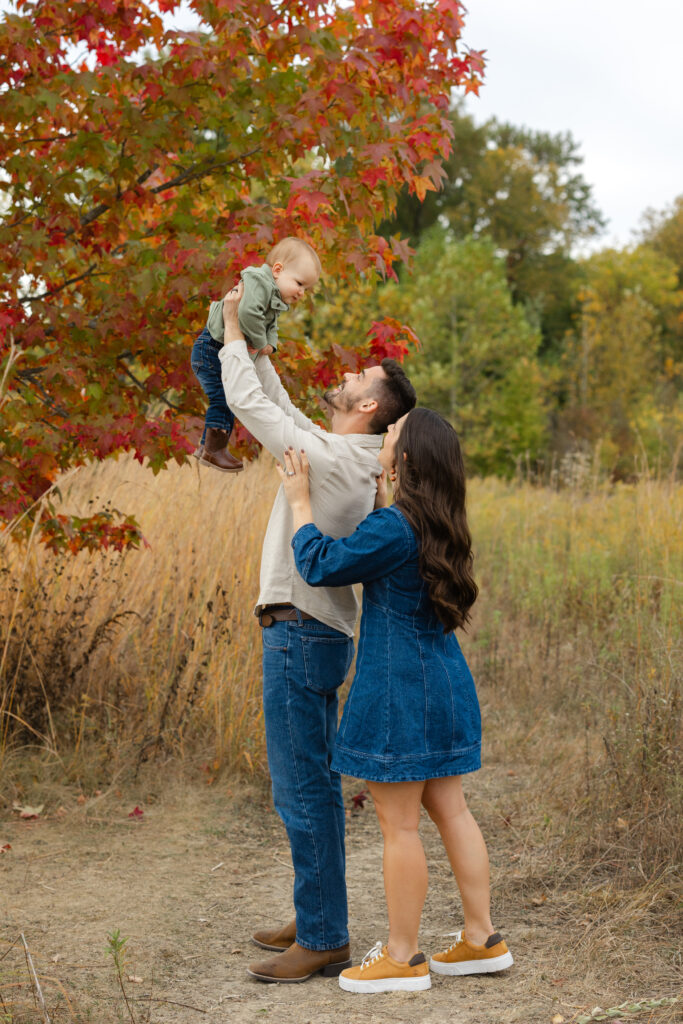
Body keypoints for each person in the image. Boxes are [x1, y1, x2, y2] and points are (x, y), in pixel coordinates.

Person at [218, 282, 417, 983]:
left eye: (357, 378)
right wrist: (261, 346)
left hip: (300, 633)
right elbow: (283, 408)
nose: (343, 376)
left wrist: (233, 339)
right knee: (308, 785)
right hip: (308, 633)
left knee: (300, 787)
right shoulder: (343, 451)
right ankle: (316, 914)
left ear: (368, 407)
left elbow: (249, 406)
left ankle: (326, 935)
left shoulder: (333, 459)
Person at [277, 407, 513, 995]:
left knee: (398, 824)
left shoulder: (395, 528)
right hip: (445, 683)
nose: (384, 438)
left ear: (404, 460)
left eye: (392, 435)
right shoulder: (439, 524)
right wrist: (385, 501)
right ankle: (482, 938)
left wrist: (300, 501)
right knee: (451, 811)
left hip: (398, 691)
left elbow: (319, 564)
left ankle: (404, 957)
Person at [191, 237, 321, 473]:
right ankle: (212, 450)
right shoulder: (257, 284)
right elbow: (249, 314)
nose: (302, 292)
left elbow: (271, 325)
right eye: (300, 283)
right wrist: (261, 342)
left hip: (219, 350)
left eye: (306, 289)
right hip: (210, 349)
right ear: (278, 270)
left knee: (228, 398)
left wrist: (270, 343)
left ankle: (206, 448)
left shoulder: (275, 297)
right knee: (224, 399)